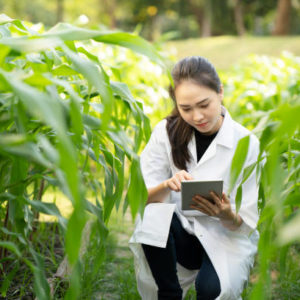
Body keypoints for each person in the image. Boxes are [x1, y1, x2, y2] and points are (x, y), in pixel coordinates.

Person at [129, 56, 260, 300]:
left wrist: (226, 213)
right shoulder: (165, 132)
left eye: (204, 104)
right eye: (186, 109)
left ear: (220, 92)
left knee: (212, 290)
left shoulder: (246, 143)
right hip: (180, 238)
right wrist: (167, 185)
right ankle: (170, 293)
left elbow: (247, 220)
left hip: (224, 236)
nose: (197, 116)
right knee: (152, 213)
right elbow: (140, 196)